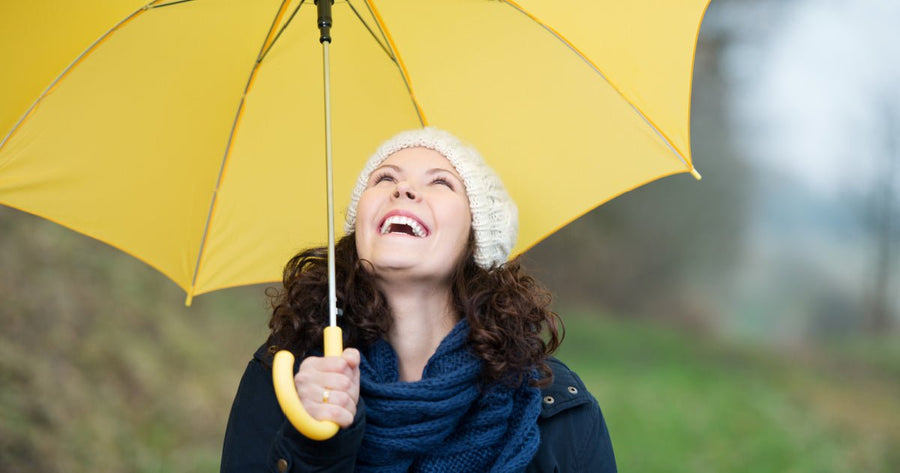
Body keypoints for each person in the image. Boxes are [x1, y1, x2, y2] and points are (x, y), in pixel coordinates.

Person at [220, 127, 617, 472]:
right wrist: (312, 444)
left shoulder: (555, 407)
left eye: (440, 182)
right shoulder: (286, 382)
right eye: (384, 178)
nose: (403, 189)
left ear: (477, 239)